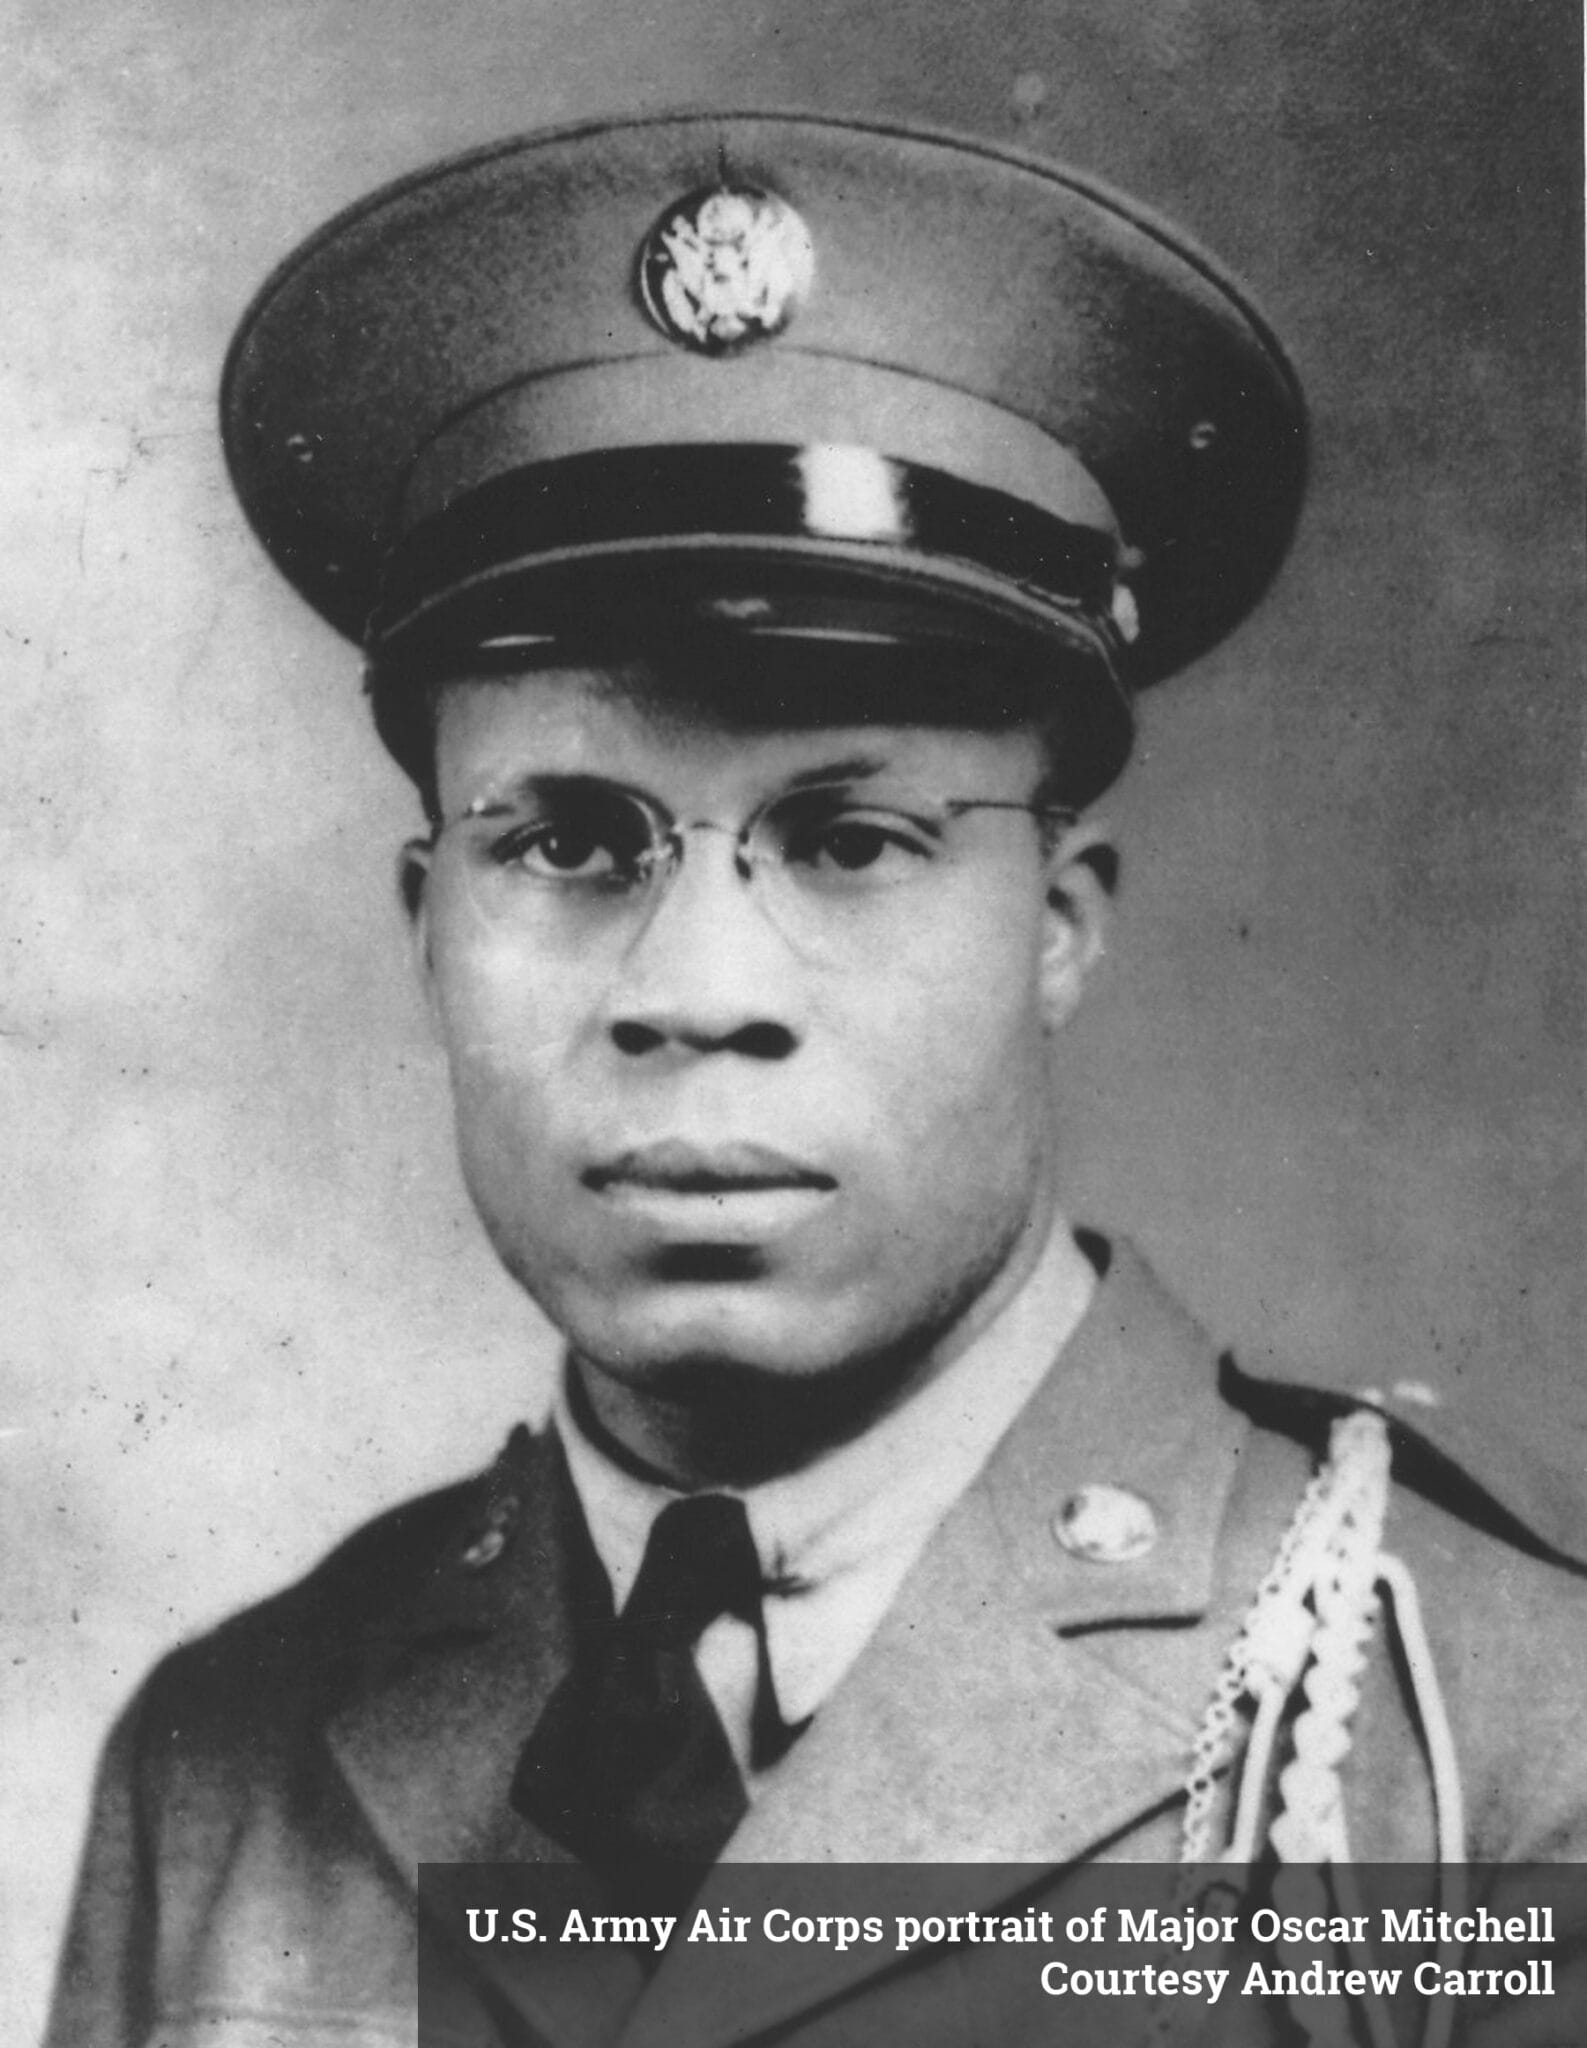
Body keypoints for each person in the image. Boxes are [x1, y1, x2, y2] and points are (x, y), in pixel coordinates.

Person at [46, 111, 1587, 2048]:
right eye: (569, 840)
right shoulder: (225, 1768)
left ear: (1057, 921)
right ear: (428, 924)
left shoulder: (1489, 1756)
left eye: (851, 837)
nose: (694, 992)